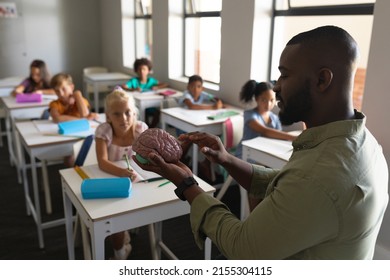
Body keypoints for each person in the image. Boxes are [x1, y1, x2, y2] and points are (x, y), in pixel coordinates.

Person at [133, 26, 389, 259]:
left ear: (322, 80)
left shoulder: (320, 175)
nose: (276, 87)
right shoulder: (365, 144)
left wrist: (187, 183)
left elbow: (244, 248)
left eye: (285, 76)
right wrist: (227, 159)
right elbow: (287, 185)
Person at [95, 87, 148, 260]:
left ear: (134, 113)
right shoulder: (104, 131)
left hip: (138, 184)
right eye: (117, 114)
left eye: (128, 113)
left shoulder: (140, 129)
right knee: (114, 218)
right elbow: (102, 162)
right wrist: (124, 172)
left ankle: (126, 231)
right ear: (108, 116)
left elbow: (149, 158)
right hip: (113, 181)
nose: (124, 119)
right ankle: (120, 254)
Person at [235, 80, 296, 159]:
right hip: (246, 154)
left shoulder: (275, 118)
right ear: (257, 99)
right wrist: (293, 137)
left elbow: (279, 136)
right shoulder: (249, 115)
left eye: (271, 100)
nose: (268, 104)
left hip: (265, 153)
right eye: (264, 100)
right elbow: (265, 131)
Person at [178, 75, 224, 172]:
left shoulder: (203, 94)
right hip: (182, 125)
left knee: (210, 138)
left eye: (198, 86)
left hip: (196, 123)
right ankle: (179, 160)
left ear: (202, 88)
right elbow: (191, 106)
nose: (196, 89)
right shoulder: (186, 95)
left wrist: (219, 103)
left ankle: (205, 162)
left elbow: (215, 98)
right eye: (193, 86)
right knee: (190, 139)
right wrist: (213, 107)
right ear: (188, 87)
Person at [122, 58, 168, 128]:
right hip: (138, 106)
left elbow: (165, 84)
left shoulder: (151, 81)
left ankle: (151, 128)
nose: (141, 71)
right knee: (143, 111)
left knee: (159, 111)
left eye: (144, 69)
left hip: (151, 106)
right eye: (139, 69)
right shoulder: (134, 81)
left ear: (148, 71)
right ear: (136, 71)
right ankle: (145, 128)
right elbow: (124, 86)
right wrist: (133, 89)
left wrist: (157, 87)